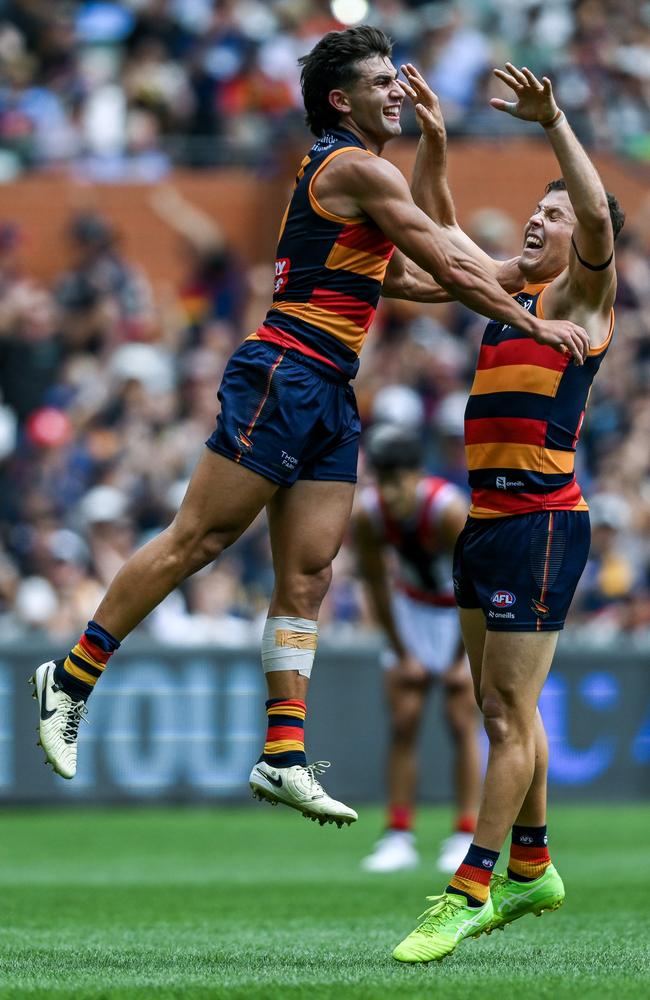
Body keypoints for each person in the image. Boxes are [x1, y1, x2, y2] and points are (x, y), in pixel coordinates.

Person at [30, 30, 587, 829]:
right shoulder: (352, 166)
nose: (396, 91)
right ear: (340, 100)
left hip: (327, 386)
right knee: (200, 538)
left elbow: (422, 271)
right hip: (283, 371)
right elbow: (453, 263)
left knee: (311, 573)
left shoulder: (360, 174)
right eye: (379, 83)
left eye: (397, 81)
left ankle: (283, 754)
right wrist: (525, 319)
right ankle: (72, 677)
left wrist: (439, 151)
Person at [387, 63, 623, 961]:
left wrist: (554, 118)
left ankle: (470, 887)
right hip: (488, 524)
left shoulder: (580, 300)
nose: (540, 216)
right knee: (502, 706)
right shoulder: (505, 288)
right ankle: (534, 865)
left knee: (503, 715)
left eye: (555, 214)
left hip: (542, 523)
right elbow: (434, 240)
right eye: (538, 205)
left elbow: (601, 220)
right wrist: (436, 144)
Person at [354, 423, 481, 873]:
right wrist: (401, 650)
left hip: (459, 613)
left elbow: (476, 585)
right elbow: (376, 586)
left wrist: (461, 659)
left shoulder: (447, 512)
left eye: (397, 480)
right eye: (381, 481)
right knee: (404, 719)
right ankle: (398, 833)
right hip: (411, 610)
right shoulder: (368, 519)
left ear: (417, 475)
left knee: (459, 717)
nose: (389, 493)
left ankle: (466, 832)